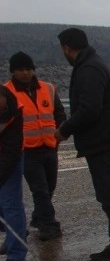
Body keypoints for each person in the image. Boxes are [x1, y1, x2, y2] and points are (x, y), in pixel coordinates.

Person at [55, 27, 110, 261]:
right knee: (106, 195)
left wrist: (64, 130)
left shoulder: (89, 69)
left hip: (106, 143)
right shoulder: (92, 64)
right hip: (107, 140)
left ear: (67, 48)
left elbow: (89, 109)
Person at [5, 52, 66, 241]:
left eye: (28, 69)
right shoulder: (6, 92)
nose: (25, 73)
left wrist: (58, 134)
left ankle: (38, 217)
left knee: (49, 187)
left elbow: (59, 114)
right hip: (26, 150)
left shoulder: (47, 89)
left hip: (49, 146)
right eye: (20, 70)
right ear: (13, 71)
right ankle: (50, 225)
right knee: (39, 188)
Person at [0, 83, 28, 261]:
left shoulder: (14, 110)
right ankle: (13, 236)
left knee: (11, 203)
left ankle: (16, 256)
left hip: (8, 159)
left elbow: (11, 150)